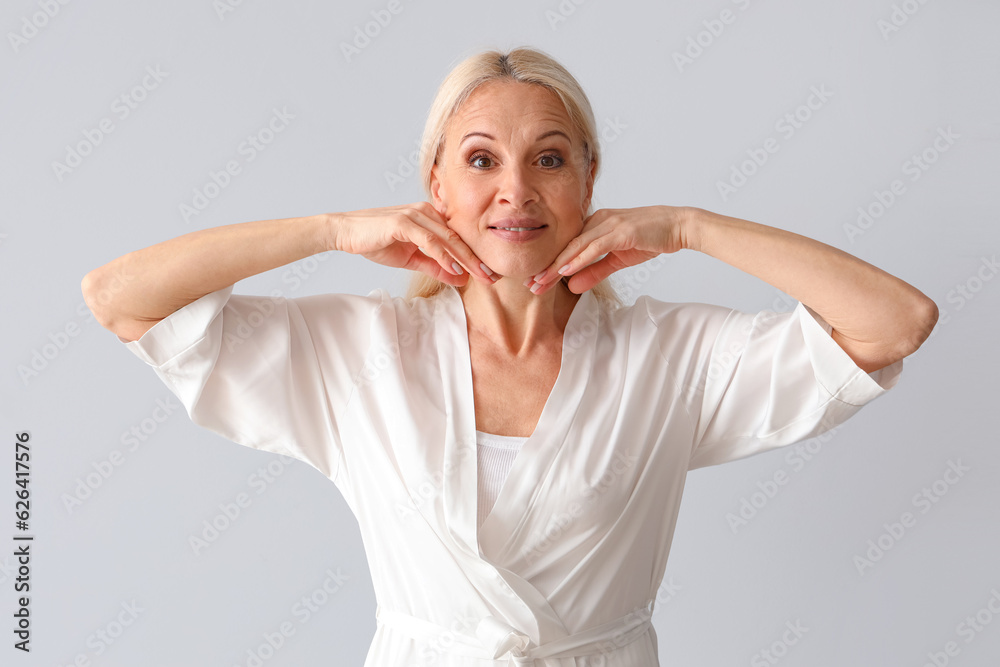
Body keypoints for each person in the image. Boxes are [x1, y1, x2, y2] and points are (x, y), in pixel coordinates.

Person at [82, 46, 937, 666]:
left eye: (550, 160)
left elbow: (896, 321)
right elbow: (119, 296)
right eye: (481, 160)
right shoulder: (358, 350)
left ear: (590, 183)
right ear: (437, 187)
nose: (516, 191)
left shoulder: (669, 357)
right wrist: (332, 230)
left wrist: (689, 227)